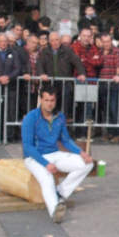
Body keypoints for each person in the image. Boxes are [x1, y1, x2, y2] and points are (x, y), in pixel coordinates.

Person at [21, 83, 94, 222]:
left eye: (52, 100)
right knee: (47, 178)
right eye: (46, 100)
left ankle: (60, 192)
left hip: (55, 153)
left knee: (87, 164)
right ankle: (55, 211)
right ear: (41, 100)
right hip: (34, 157)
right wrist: (45, 163)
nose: (49, 104)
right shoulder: (31, 117)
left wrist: (81, 153)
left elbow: (65, 140)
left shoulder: (60, 117)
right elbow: (28, 146)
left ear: (56, 100)